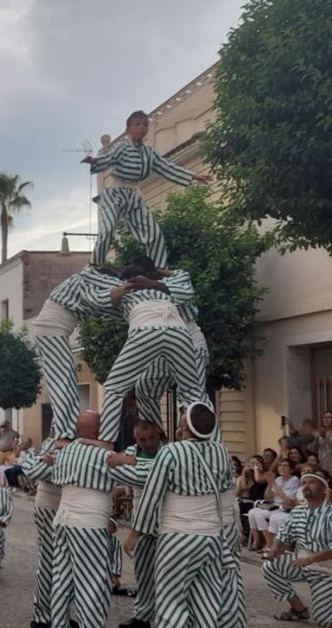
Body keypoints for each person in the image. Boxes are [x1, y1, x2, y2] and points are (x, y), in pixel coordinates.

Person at [117, 403, 235, 628]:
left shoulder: (171, 452)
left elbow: (152, 495)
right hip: (212, 537)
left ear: (185, 428)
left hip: (179, 537)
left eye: (181, 424)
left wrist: (135, 532)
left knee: (171, 602)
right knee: (207, 604)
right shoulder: (221, 452)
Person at [47, 410, 137, 628]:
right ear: (102, 430)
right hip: (89, 524)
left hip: (63, 520)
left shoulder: (64, 452)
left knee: (61, 583)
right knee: (93, 586)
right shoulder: (104, 456)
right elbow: (136, 472)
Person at [92, 263, 210, 444]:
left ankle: (106, 442)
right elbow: (183, 276)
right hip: (179, 333)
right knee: (190, 392)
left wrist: (125, 286)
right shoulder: (166, 292)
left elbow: (103, 301)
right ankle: (199, 442)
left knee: (114, 388)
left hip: (148, 331)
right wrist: (159, 274)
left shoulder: (126, 293)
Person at [83, 110, 211, 266]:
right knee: (108, 230)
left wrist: (193, 176)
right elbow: (109, 158)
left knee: (154, 234)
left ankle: (158, 268)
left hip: (134, 196)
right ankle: (94, 267)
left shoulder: (149, 153)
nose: (142, 128)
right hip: (114, 193)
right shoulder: (121, 147)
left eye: (145, 124)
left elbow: (166, 167)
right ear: (128, 129)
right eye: (137, 124)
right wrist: (94, 161)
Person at [263, 471, 332, 627]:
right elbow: (284, 533)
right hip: (303, 564)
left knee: (325, 620)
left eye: (311, 482)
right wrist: (274, 549)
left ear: (324, 490)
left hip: (328, 570)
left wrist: (310, 559)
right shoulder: (298, 511)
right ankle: (298, 610)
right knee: (270, 566)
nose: (306, 485)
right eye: (304, 483)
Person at [29, 265, 122, 440]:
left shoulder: (81, 285)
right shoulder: (84, 282)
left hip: (49, 332)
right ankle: (65, 436)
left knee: (65, 386)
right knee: (65, 386)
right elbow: (103, 301)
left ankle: (60, 435)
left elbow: (105, 311)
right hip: (51, 332)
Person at [116, 420, 163, 628]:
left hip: (165, 522)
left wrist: (129, 463)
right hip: (140, 520)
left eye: (151, 438)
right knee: (142, 571)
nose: (148, 443)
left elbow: (152, 475)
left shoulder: (167, 453)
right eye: (143, 439)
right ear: (136, 439)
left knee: (172, 575)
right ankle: (143, 615)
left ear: (158, 435)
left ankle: (185, 623)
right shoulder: (130, 453)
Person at [19, 435, 61, 628]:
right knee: (49, 560)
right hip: (49, 504)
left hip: (65, 506)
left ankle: (59, 612)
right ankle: (42, 615)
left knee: (63, 564)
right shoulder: (54, 441)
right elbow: (33, 469)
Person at [246, 459, 298, 554]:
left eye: (285, 466)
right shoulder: (278, 479)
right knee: (252, 512)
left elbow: (287, 500)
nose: (282, 467)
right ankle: (258, 541)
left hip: (285, 508)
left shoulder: (294, 480)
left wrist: (273, 483)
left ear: (291, 470)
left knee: (259, 515)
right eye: (280, 465)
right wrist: (270, 483)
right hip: (274, 506)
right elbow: (268, 497)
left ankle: (270, 544)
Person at [309, 412, 332, 478]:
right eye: (324, 417)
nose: (326, 419)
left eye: (329, 417)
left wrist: (325, 437)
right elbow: (312, 449)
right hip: (322, 462)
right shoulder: (319, 432)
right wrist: (316, 438)